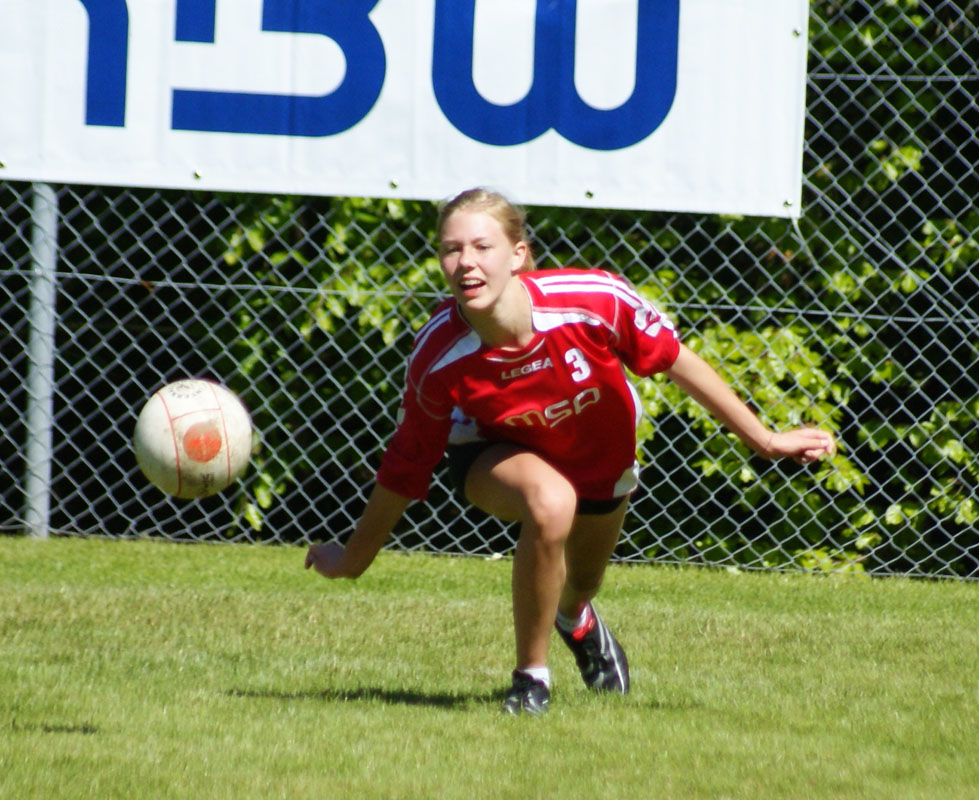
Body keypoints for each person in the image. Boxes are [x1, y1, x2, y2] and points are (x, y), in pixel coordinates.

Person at [305, 187, 836, 716]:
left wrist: (765, 440)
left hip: (600, 459)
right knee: (550, 501)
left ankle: (575, 617)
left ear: (517, 254)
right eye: (451, 249)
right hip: (492, 454)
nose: (465, 262)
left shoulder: (593, 299)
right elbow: (407, 462)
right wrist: (353, 559)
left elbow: (677, 361)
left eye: (482, 247)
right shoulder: (438, 352)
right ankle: (530, 681)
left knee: (580, 584)